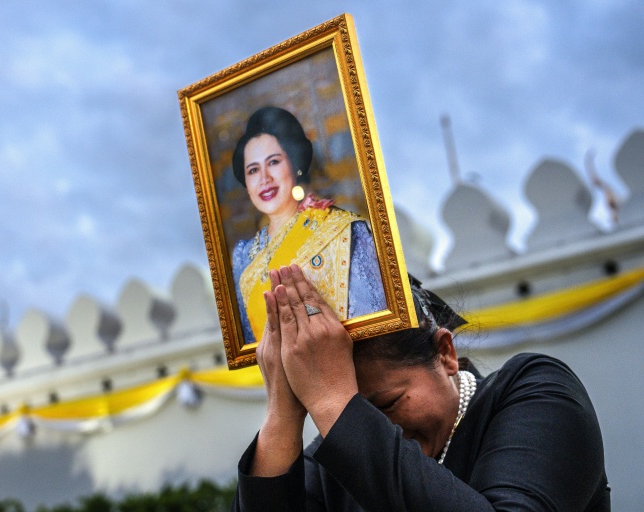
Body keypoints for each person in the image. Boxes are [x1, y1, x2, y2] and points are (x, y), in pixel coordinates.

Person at [231, 264, 610, 511]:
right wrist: (282, 413)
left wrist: (334, 400)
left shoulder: (536, 391)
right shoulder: (331, 463)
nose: (366, 427)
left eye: (389, 402)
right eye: (350, 412)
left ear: (445, 354)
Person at [231, 106, 386, 344]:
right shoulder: (243, 257)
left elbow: (376, 326)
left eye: (273, 162)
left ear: (295, 164)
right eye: (253, 170)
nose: (264, 179)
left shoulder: (343, 231)